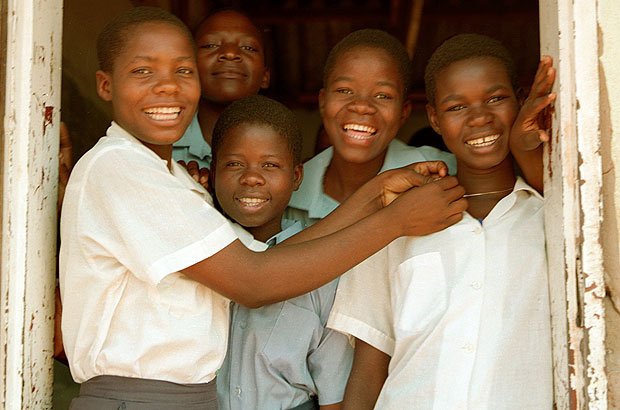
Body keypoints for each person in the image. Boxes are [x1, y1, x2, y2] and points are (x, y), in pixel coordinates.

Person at [59, 8, 466, 409]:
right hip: (139, 398)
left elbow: (269, 259)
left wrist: (376, 195)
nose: (167, 87)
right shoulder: (119, 167)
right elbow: (254, 283)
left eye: (182, 71)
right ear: (105, 85)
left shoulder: (171, 179)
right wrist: (394, 222)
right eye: (143, 71)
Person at [327, 33, 556, 410]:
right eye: (456, 107)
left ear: (520, 99)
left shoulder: (552, 218)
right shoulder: (396, 223)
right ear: (433, 118)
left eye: (496, 99)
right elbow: (369, 368)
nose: (480, 117)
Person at [211, 94, 352, 410]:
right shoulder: (197, 258)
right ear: (212, 169)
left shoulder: (323, 272)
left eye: (270, 165)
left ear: (296, 176)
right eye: (234, 163)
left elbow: (334, 389)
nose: (251, 177)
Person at [285, 29, 457, 228]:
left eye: (382, 95)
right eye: (345, 90)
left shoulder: (447, 173)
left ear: (403, 112)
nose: (362, 106)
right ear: (323, 103)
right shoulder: (286, 192)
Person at [172, 8, 269, 176]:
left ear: (265, 76)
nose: (230, 54)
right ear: (187, 69)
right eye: (211, 45)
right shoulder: (161, 148)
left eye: (248, 47)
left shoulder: (281, 151)